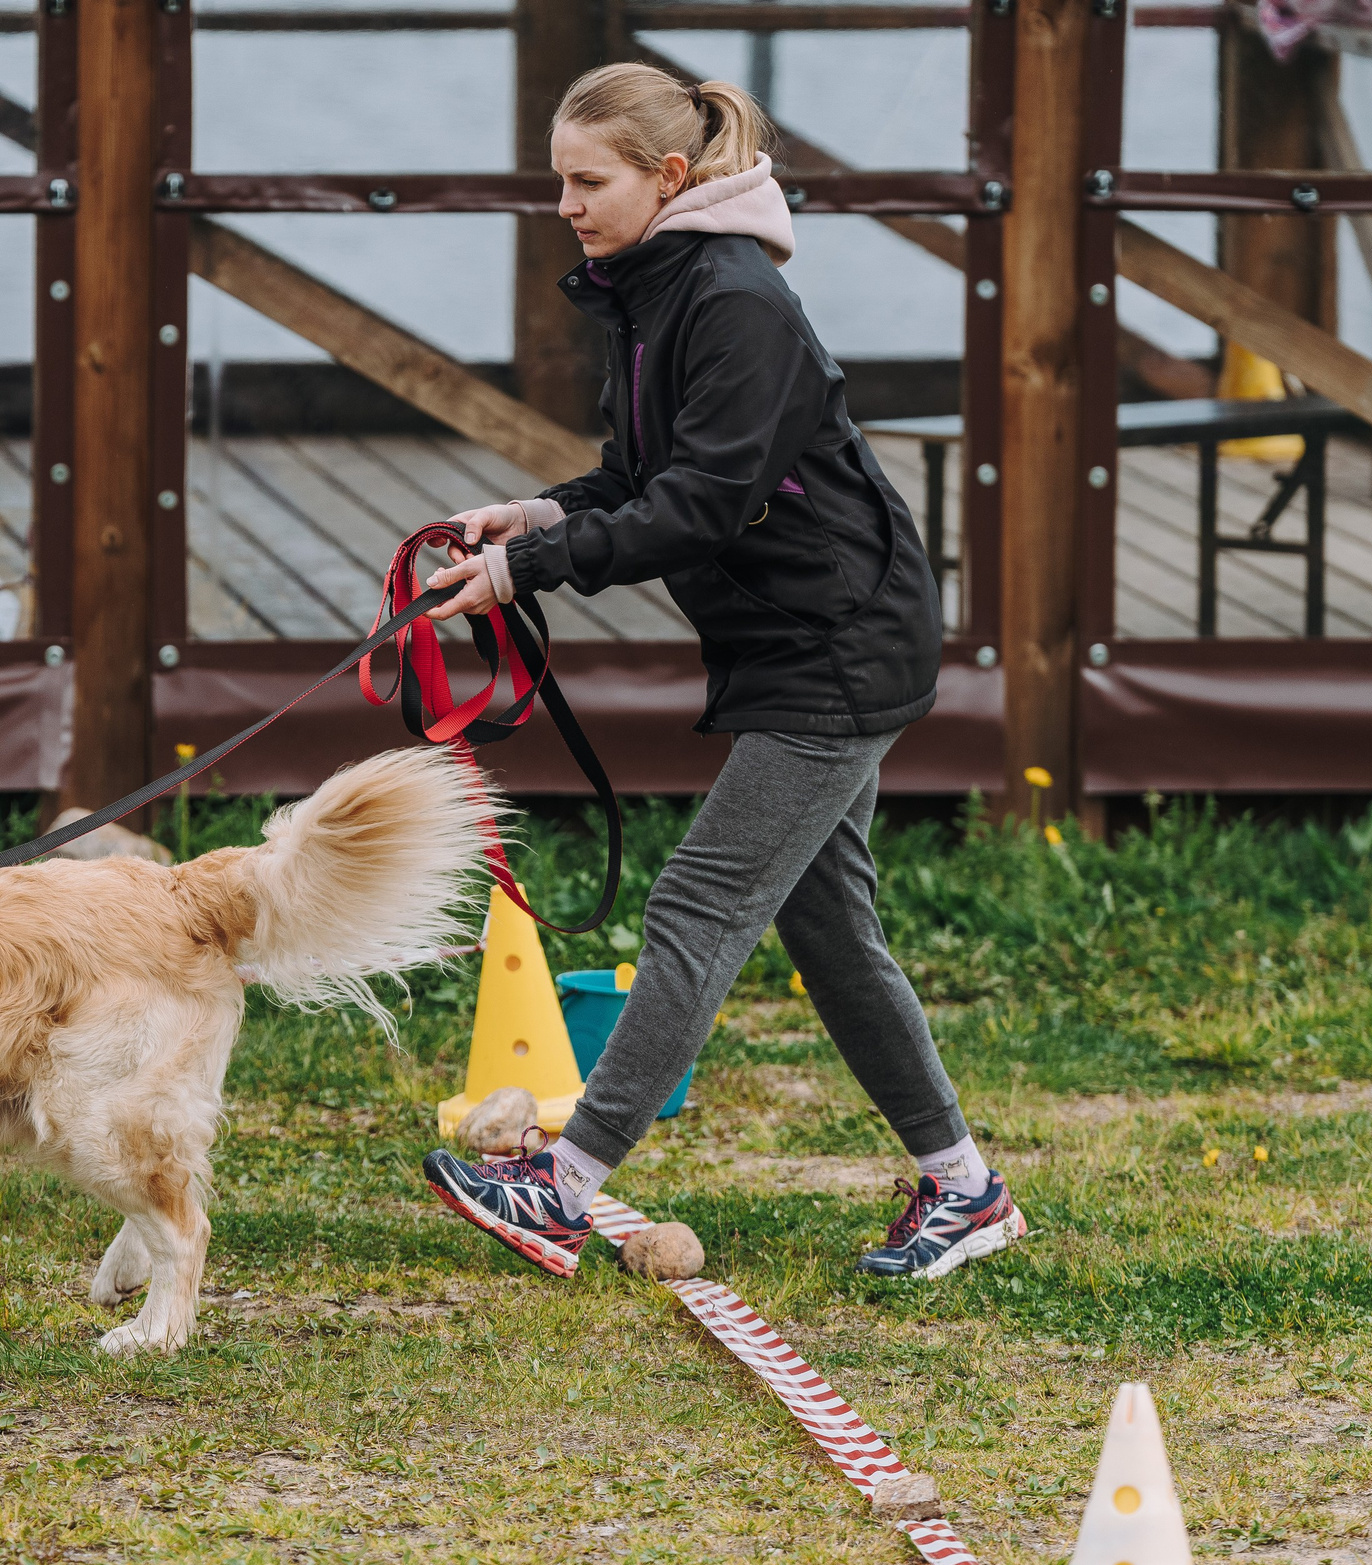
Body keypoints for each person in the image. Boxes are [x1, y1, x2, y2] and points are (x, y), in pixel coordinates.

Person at [418, 65, 1026, 1283]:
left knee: (697, 907)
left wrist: (529, 573)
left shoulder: (733, 299)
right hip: (792, 638)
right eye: (558, 182)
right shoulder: (656, 290)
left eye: (588, 182)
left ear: (669, 179)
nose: (566, 205)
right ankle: (965, 1189)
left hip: (840, 646)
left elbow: (701, 503)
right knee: (832, 930)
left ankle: (564, 1181)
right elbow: (643, 471)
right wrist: (531, 515)